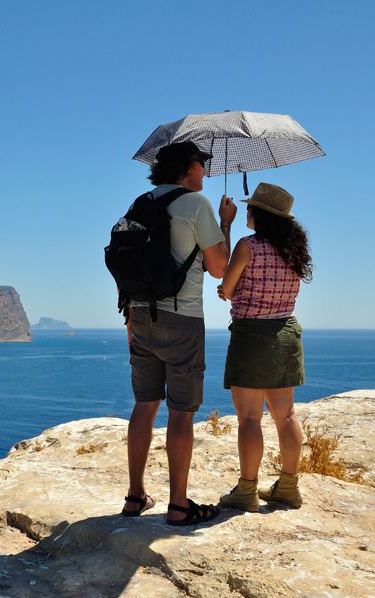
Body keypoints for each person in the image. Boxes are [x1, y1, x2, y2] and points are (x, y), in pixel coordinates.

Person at [121, 141, 237, 526]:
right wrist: (226, 223)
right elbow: (219, 268)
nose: (205, 171)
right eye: (202, 165)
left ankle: (135, 496)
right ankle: (178, 505)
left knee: (144, 405)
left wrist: (130, 319)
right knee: (181, 413)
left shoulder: (140, 203)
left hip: (140, 316)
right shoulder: (195, 204)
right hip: (182, 319)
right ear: (189, 166)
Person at [216, 182, 313, 512]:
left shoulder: (247, 246)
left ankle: (246, 492)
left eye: (250, 208)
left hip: (252, 336)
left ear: (259, 214)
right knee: (285, 415)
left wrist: (224, 225)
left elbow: (227, 287)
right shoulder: (293, 251)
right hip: (287, 333)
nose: (247, 212)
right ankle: (288, 487)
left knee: (249, 419)